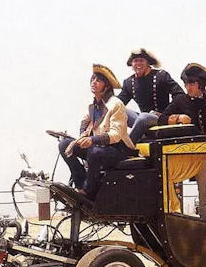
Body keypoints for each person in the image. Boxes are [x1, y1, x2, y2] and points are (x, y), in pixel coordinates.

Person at [157, 63, 206, 220]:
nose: (187, 87)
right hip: (185, 153)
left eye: (191, 84)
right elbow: (161, 119)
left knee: (205, 193)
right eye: (186, 84)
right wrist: (178, 118)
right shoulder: (180, 100)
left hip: (205, 154)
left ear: (200, 85)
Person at [58, 64, 137, 200]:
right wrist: (83, 134)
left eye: (98, 80)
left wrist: (92, 140)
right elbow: (86, 119)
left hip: (118, 150)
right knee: (64, 144)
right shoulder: (92, 102)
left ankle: (89, 191)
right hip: (99, 147)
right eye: (93, 79)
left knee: (94, 152)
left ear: (106, 86)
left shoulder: (116, 104)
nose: (94, 82)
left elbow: (116, 134)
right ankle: (81, 182)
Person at [118, 48, 185, 143]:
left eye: (141, 60)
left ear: (148, 63)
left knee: (143, 117)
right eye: (135, 61)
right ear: (132, 64)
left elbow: (179, 95)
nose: (138, 63)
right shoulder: (129, 82)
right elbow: (118, 103)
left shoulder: (161, 76)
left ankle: (126, 146)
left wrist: (166, 114)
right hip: (141, 119)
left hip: (160, 119)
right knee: (118, 109)